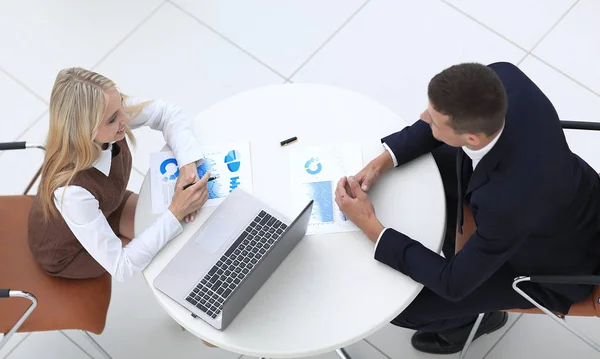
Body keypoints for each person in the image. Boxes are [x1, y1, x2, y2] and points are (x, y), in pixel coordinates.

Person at [335, 62, 600, 354]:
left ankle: (469, 327)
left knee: (406, 309)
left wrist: (371, 224)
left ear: (472, 139)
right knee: (429, 162)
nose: (424, 118)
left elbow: (453, 283)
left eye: (433, 121)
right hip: (573, 195)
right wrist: (381, 161)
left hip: (555, 266)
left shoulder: (506, 204)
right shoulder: (504, 77)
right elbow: (441, 121)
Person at [28, 68, 210, 282]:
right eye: (113, 118)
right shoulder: (73, 193)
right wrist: (176, 211)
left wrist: (187, 164)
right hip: (69, 252)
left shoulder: (109, 109)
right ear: (84, 130)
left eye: (121, 103)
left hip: (107, 206)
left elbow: (167, 112)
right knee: (172, 250)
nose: (126, 118)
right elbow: (122, 266)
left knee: (185, 228)